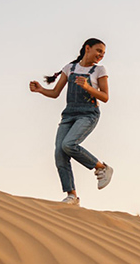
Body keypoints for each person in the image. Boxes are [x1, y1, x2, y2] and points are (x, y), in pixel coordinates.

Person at [29, 38, 114, 205]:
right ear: (87, 48)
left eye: (103, 53)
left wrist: (88, 88)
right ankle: (72, 196)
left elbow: (105, 97)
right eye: (98, 51)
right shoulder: (70, 68)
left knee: (68, 144)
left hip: (88, 114)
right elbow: (55, 93)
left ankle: (101, 168)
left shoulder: (100, 70)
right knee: (59, 153)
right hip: (68, 115)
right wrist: (40, 90)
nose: (100, 55)